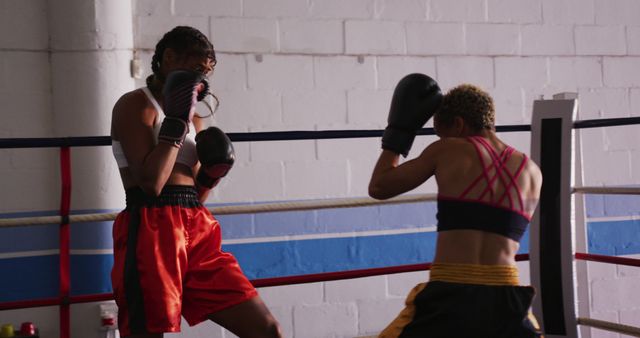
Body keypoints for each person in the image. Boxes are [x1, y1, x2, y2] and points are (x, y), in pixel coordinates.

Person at [110, 26, 282, 338]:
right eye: (194, 68)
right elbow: (151, 183)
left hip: (196, 225)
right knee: (148, 332)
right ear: (168, 58)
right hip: (151, 225)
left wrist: (210, 176)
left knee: (267, 329)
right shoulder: (136, 105)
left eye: (205, 72)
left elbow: (195, 194)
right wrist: (175, 123)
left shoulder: (196, 118)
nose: (200, 77)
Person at [368, 75, 543, 338]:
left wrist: (399, 135)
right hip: (508, 300)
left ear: (458, 124)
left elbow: (379, 187)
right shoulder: (532, 170)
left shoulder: (449, 149)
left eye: (441, 131)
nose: (441, 137)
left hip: (450, 294)